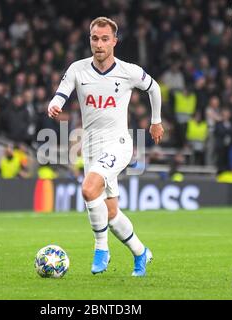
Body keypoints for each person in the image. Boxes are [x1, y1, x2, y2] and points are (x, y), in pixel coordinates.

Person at [47, 17, 164, 277]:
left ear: (114, 42)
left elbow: (154, 88)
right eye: (94, 38)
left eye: (104, 39)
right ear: (90, 40)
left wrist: (156, 122)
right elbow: (62, 91)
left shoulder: (128, 71)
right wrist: (54, 104)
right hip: (91, 146)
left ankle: (101, 249)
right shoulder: (78, 69)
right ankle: (140, 252)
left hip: (119, 143)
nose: (98, 44)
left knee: (89, 190)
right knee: (111, 214)